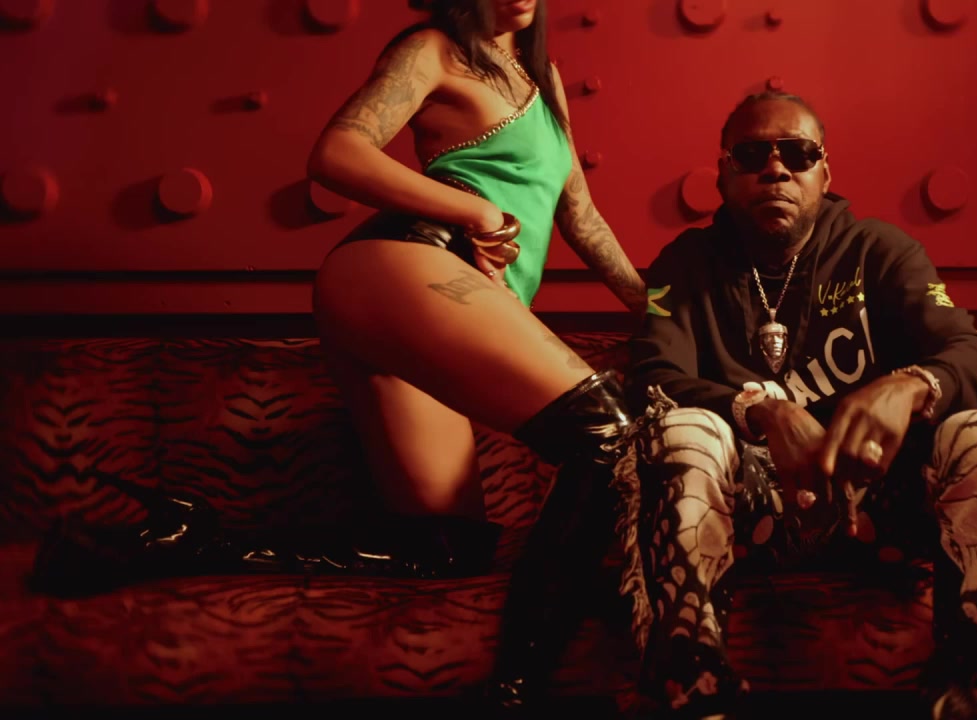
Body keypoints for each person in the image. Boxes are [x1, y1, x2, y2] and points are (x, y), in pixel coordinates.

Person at [30, 0, 645, 712]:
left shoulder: (543, 76)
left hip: (428, 305)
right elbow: (337, 154)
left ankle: (179, 538)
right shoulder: (433, 49)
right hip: (403, 263)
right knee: (609, 431)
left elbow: (582, 216)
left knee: (446, 547)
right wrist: (474, 210)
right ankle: (517, 693)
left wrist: (662, 310)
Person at [610, 91, 977, 719]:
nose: (776, 169)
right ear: (724, 175)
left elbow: (974, 354)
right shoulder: (683, 266)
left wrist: (909, 385)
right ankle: (691, 681)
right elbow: (651, 377)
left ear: (825, 172)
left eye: (798, 153)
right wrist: (761, 412)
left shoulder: (881, 251)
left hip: (880, 502)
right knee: (679, 429)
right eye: (752, 155)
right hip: (749, 513)